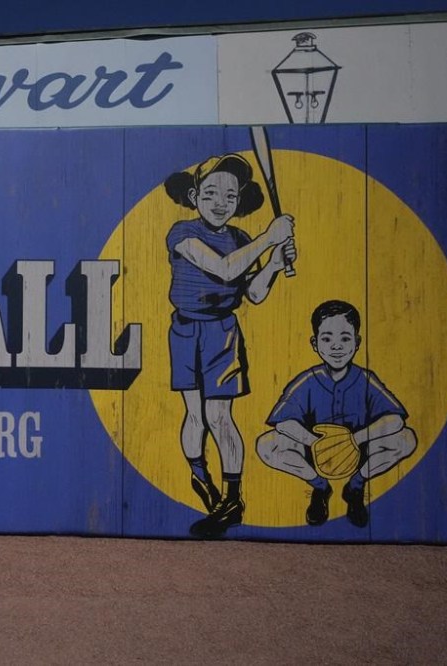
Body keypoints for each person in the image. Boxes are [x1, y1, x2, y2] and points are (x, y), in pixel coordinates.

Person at [164, 153, 296, 538]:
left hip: (222, 332)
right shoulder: (181, 232)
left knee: (219, 416)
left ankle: (233, 498)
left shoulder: (241, 240)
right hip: (185, 330)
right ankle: (199, 475)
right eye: (210, 192)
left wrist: (272, 263)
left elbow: (252, 293)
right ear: (194, 195)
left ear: (240, 201)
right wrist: (268, 239)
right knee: (194, 416)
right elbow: (223, 269)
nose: (220, 202)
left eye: (230, 196)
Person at [256, 300, 417, 527]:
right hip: (314, 452)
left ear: (357, 342)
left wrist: (354, 439)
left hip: (359, 452)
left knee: (407, 439)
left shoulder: (365, 379)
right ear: (315, 343)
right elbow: (283, 423)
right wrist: (314, 442)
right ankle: (320, 488)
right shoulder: (308, 380)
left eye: (345, 338)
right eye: (327, 339)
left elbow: (396, 419)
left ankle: (355, 487)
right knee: (267, 444)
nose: (336, 346)